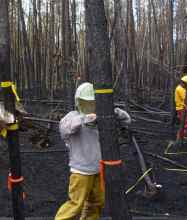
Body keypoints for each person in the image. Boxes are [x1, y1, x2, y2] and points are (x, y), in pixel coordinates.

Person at [55, 82, 131, 220]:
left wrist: (114, 111)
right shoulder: (72, 117)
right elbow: (65, 129)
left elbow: (127, 120)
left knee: (96, 203)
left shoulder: (101, 119)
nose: (90, 106)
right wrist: (84, 119)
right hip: (80, 172)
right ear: (78, 102)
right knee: (75, 205)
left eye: (92, 102)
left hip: (99, 169)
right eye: (86, 102)